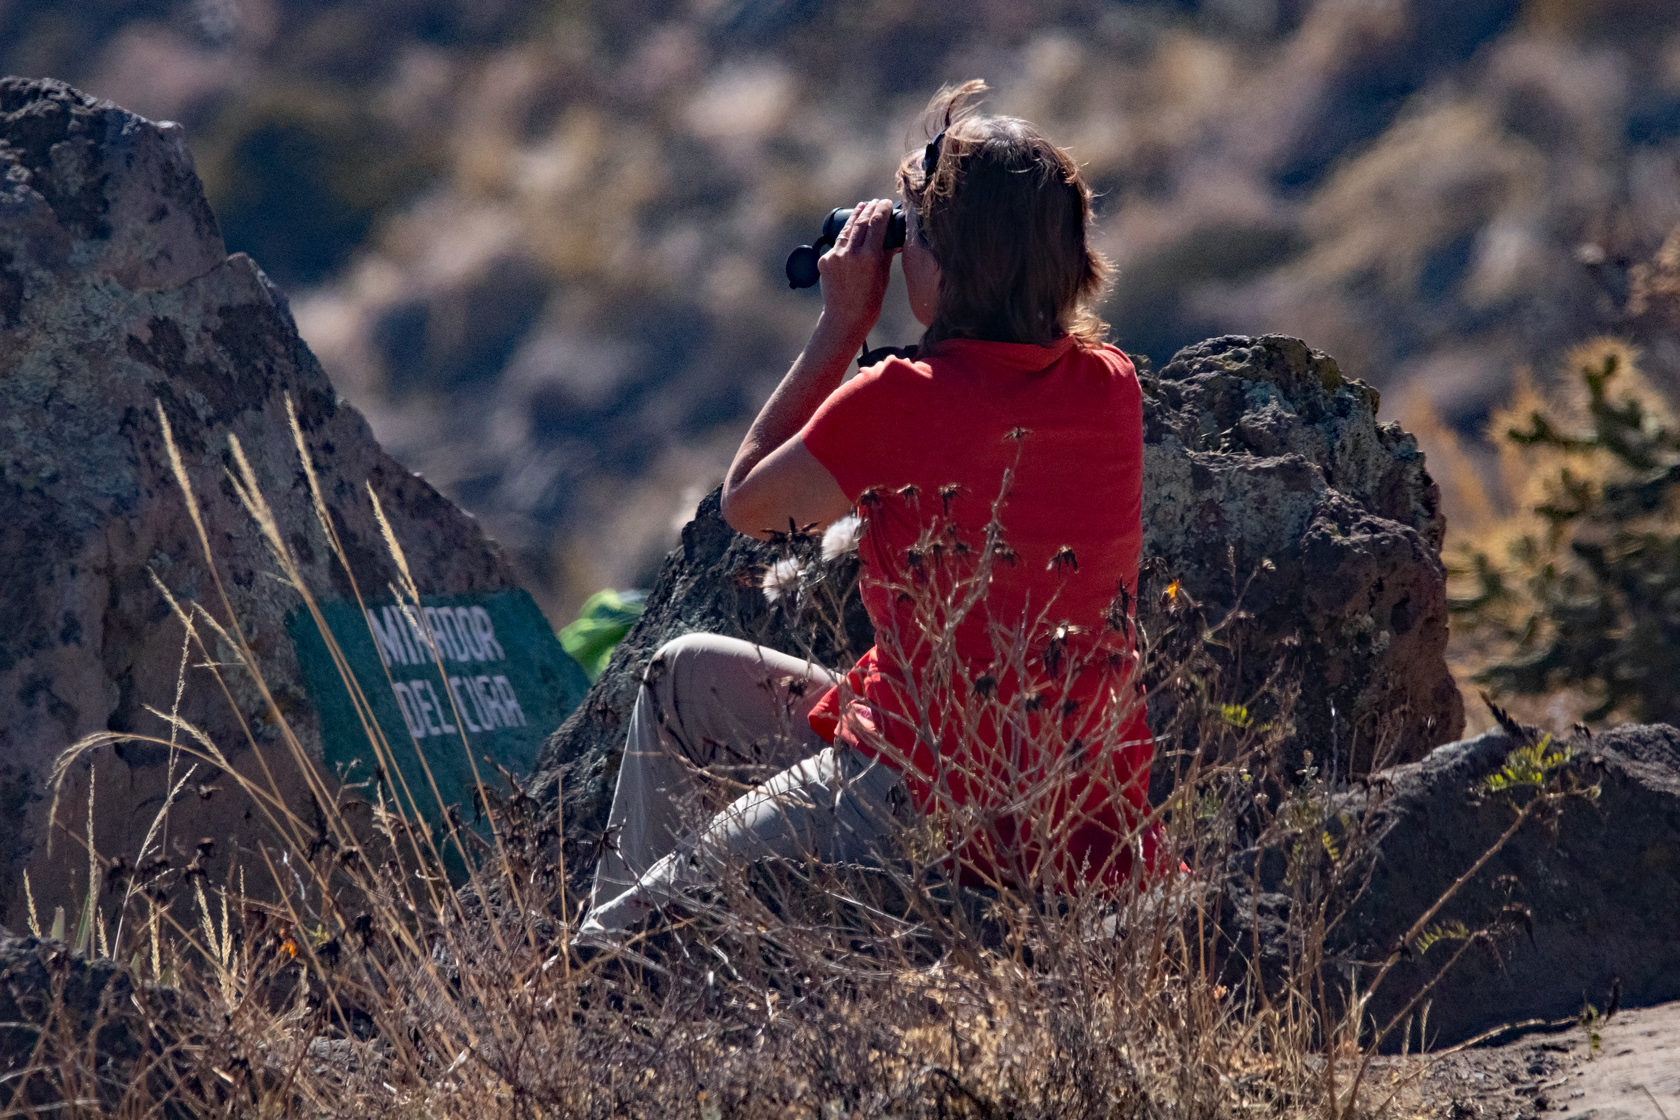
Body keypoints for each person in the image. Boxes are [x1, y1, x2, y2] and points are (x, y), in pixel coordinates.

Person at [577, 80, 1157, 944]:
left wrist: (843, 324)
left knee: (621, 934)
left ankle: (618, 972)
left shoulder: (903, 401)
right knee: (685, 677)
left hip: (919, 789)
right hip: (1083, 804)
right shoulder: (1112, 386)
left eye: (910, 233)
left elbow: (750, 504)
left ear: (950, 263)